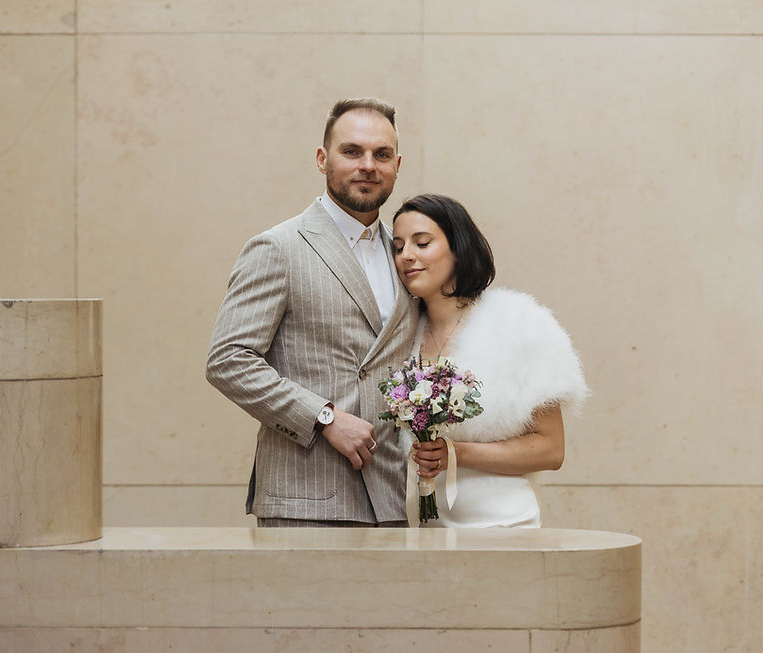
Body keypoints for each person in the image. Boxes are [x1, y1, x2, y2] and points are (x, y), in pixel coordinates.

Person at [206, 98, 418, 527]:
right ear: (323, 159)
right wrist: (324, 417)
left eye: (380, 155)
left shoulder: (407, 254)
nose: (367, 165)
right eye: (351, 151)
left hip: (394, 501)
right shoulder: (278, 247)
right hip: (305, 501)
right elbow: (227, 360)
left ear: (397, 165)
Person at [391, 193, 589, 527]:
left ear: (458, 248)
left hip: (502, 527)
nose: (406, 256)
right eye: (397, 247)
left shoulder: (518, 323)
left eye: (422, 243)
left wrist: (457, 453)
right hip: (420, 531)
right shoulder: (400, 337)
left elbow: (551, 450)